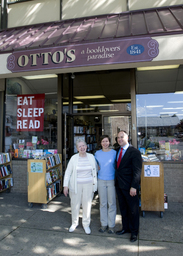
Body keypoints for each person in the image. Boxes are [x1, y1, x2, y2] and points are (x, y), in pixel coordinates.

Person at [63, 139, 98, 235]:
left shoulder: (91, 157)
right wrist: (65, 186)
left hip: (88, 184)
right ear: (77, 148)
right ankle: (74, 223)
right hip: (76, 185)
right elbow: (68, 173)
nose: (82, 147)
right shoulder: (74, 158)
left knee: (87, 205)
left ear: (86, 147)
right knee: (75, 204)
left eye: (83, 146)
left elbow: (95, 170)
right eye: (80, 146)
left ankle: (86, 224)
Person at [115, 130, 142, 242]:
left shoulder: (134, 152)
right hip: (119, 185)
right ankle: (125, 228)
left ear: (127, 138)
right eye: (118, 138)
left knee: (133, 210)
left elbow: (137, 171)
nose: (120, 139)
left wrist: (134, 186)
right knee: (123, 208)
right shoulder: (117, 150)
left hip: (130, 186)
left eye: (122, 137)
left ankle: (134, 232)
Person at [95, 135, 116, 234]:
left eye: (106, 141)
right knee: (103, 203)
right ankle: (104, 224)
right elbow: (94, 165)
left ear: (109, 142)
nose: (105, 143)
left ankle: (111, 225)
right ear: (100, 143)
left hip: (111, 180)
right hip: (101, 180)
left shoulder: (114, 153)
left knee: (111, 203)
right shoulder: (97, 154)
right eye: (103, 141)